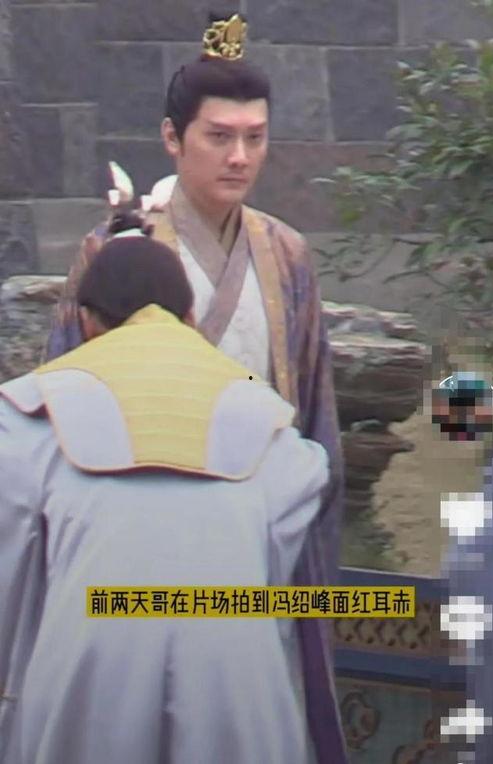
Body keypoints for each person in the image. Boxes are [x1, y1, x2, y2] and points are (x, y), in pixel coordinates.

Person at [43, 13, 346, 762]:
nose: (240, 156)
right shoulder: (118, 251)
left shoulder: (287, 255)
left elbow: (314, 417)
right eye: (219, 136)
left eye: (255, 137)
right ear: (173, 139)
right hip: (129, 529)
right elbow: (65, 397)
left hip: (254, 530)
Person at [0, 233, 333, 764]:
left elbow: (12, 583)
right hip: (237, 673)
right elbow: (280, 559)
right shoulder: (266, 421)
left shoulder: (29, 416)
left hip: (87, 667)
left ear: (87, 322)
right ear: (190, 317)